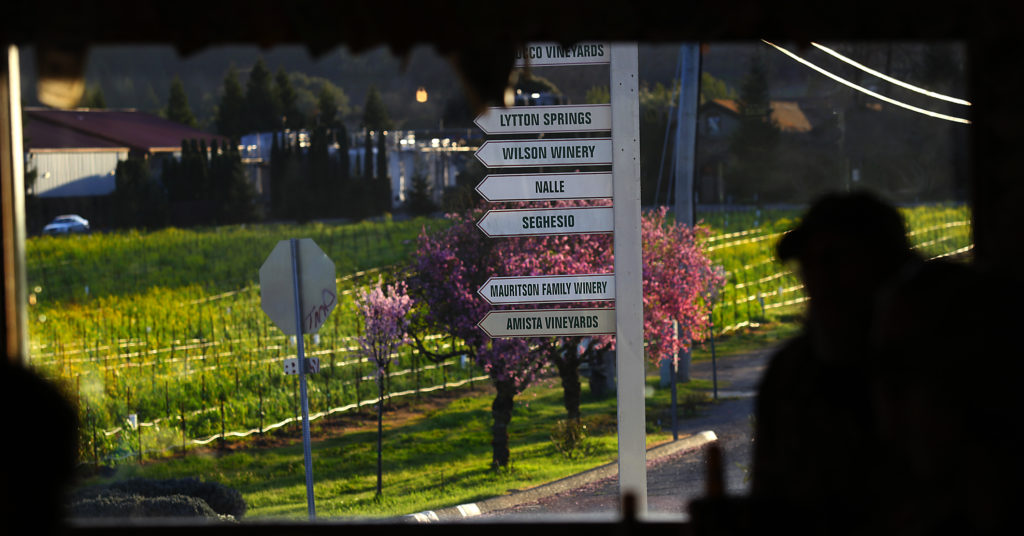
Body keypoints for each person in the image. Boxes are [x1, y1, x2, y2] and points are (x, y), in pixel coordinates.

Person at [749, 192, 921, 533]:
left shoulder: (932, 366)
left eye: (836, 261)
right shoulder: (790, 372)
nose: (819, 279)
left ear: (886, 268)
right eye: (809, 263)